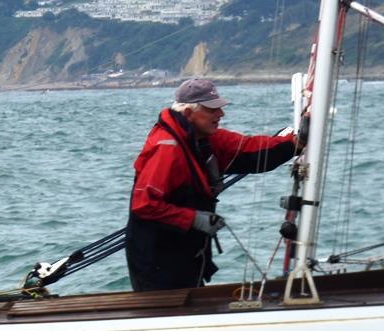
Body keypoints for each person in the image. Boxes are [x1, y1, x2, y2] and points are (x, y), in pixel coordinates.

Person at [125, 78, 299, 292]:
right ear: (188, 114)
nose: (220, 115)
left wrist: (295, 141)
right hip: (157, 261)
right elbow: (144, 205)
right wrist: (195, 219)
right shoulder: (167, 149)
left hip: (186, 254)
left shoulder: (205, 137)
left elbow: (251, 150)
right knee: (169, 315)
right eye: (212, 110)